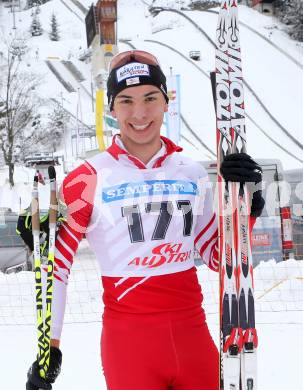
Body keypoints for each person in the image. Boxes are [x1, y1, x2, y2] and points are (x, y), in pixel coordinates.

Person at [26, 50, 264, 390]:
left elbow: (217, 256)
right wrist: (50, 347)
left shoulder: (191, 173)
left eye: (150, 98)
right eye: (126, 100)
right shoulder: (87, 178)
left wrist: (245, 211)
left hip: (192, 337)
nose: (139, 113)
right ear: (111, 108)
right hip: (129, 345)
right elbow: (57, 266)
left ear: (166, 101)